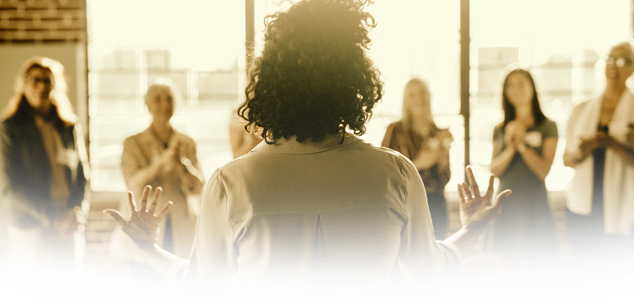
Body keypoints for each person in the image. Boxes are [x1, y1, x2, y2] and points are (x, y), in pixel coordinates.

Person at [105, 0, 512, 299]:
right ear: (356, 85)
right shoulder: (396, 173)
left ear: (266, 86)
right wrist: (473, 226)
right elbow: (427, 273)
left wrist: (148, 247)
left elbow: (199, 287)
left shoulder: (232, 182)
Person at [0, 57, 89, 300]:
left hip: (69, 222)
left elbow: (82, 174)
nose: (41, 86)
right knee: (39, 295)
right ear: (23, 84)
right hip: (33, 224)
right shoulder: (10, 127)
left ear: (56, 85)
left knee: (66, 295)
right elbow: (10, 186)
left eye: (47, 81)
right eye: (35, 80)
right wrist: (53, 217)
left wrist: (75, 211)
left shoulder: (68, 125)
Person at [108, 80, 205, 300]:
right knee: (148, 291)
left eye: (169, 98)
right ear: (147, 104)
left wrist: (183, 166)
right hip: (145, 224)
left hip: (180, 227)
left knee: (180, 291)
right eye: (157, 98)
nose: (164, 104)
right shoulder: (133, 143)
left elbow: (198, 186)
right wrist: (161, 162)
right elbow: (133, 182)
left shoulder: (187, 143)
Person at [563, 41, 634, 300]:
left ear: (632, 69)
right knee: (585, 278)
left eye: (623, 60)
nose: (614, 65)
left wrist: (613, 144)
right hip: (584, 209)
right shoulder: (582, 109)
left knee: (616, 280)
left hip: (621, 208)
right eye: (609, 58)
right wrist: (583, 151)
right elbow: (567, 160)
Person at [485, 68, 560, 300]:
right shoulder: (500, 129)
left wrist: (522, 146)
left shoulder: (548, 125)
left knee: (530, 269)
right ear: (505, 93)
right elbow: (495, 168)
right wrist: (510, 146)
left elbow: (543, 170)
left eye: (521, 83)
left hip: (533, 203)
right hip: (506, 203)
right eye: (510, 85)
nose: (516, 89)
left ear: (532, 88)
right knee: (510, 266)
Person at [382, 78, 452, 300]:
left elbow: (445, 178)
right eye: (412, 94)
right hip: (402, 204)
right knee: (393, 269)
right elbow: (385, 171)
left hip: (434, 205)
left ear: (429, 96)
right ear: (406, 100)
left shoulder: (439, 133)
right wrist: (420, 162)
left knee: (428, 273)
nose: (419, 98)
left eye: (422, 93)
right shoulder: (395, 130)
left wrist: (440, 159)